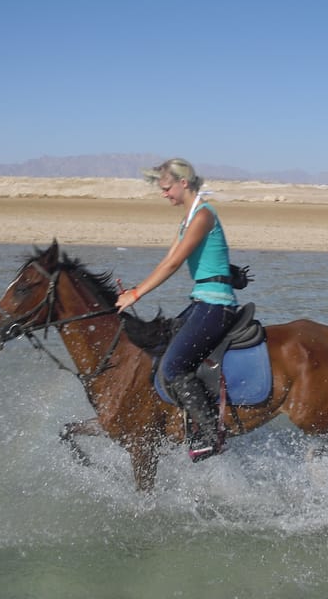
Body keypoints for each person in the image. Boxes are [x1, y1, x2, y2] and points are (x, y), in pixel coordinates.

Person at [115, 158, 238, 461]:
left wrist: (136, 294)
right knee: (162, 343)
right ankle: (179, 421)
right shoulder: (188, 218)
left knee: (172, 366)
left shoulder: (204, 215)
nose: (164, 193)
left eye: (167, 187)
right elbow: (165, 259)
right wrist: (134, 288)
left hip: (217, 305)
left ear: (184, 183)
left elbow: (174, 264)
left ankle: (212, 435)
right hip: (201, 301)